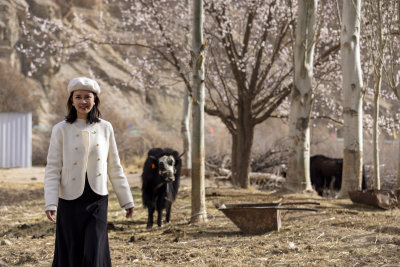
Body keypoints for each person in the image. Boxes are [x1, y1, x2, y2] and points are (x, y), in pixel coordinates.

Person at [44, 77, 134, 267]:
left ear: (95, 100)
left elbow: (114, 166)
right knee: (71, 251)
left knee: (94, 252)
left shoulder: (105, 127)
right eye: (78, 97)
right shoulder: (60, 129)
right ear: (71, 101)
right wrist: (50, 202)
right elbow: (53, 168)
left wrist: (126, 200)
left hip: (97, 199)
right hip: (69, 200)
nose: (83, 101)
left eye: (87, 97)